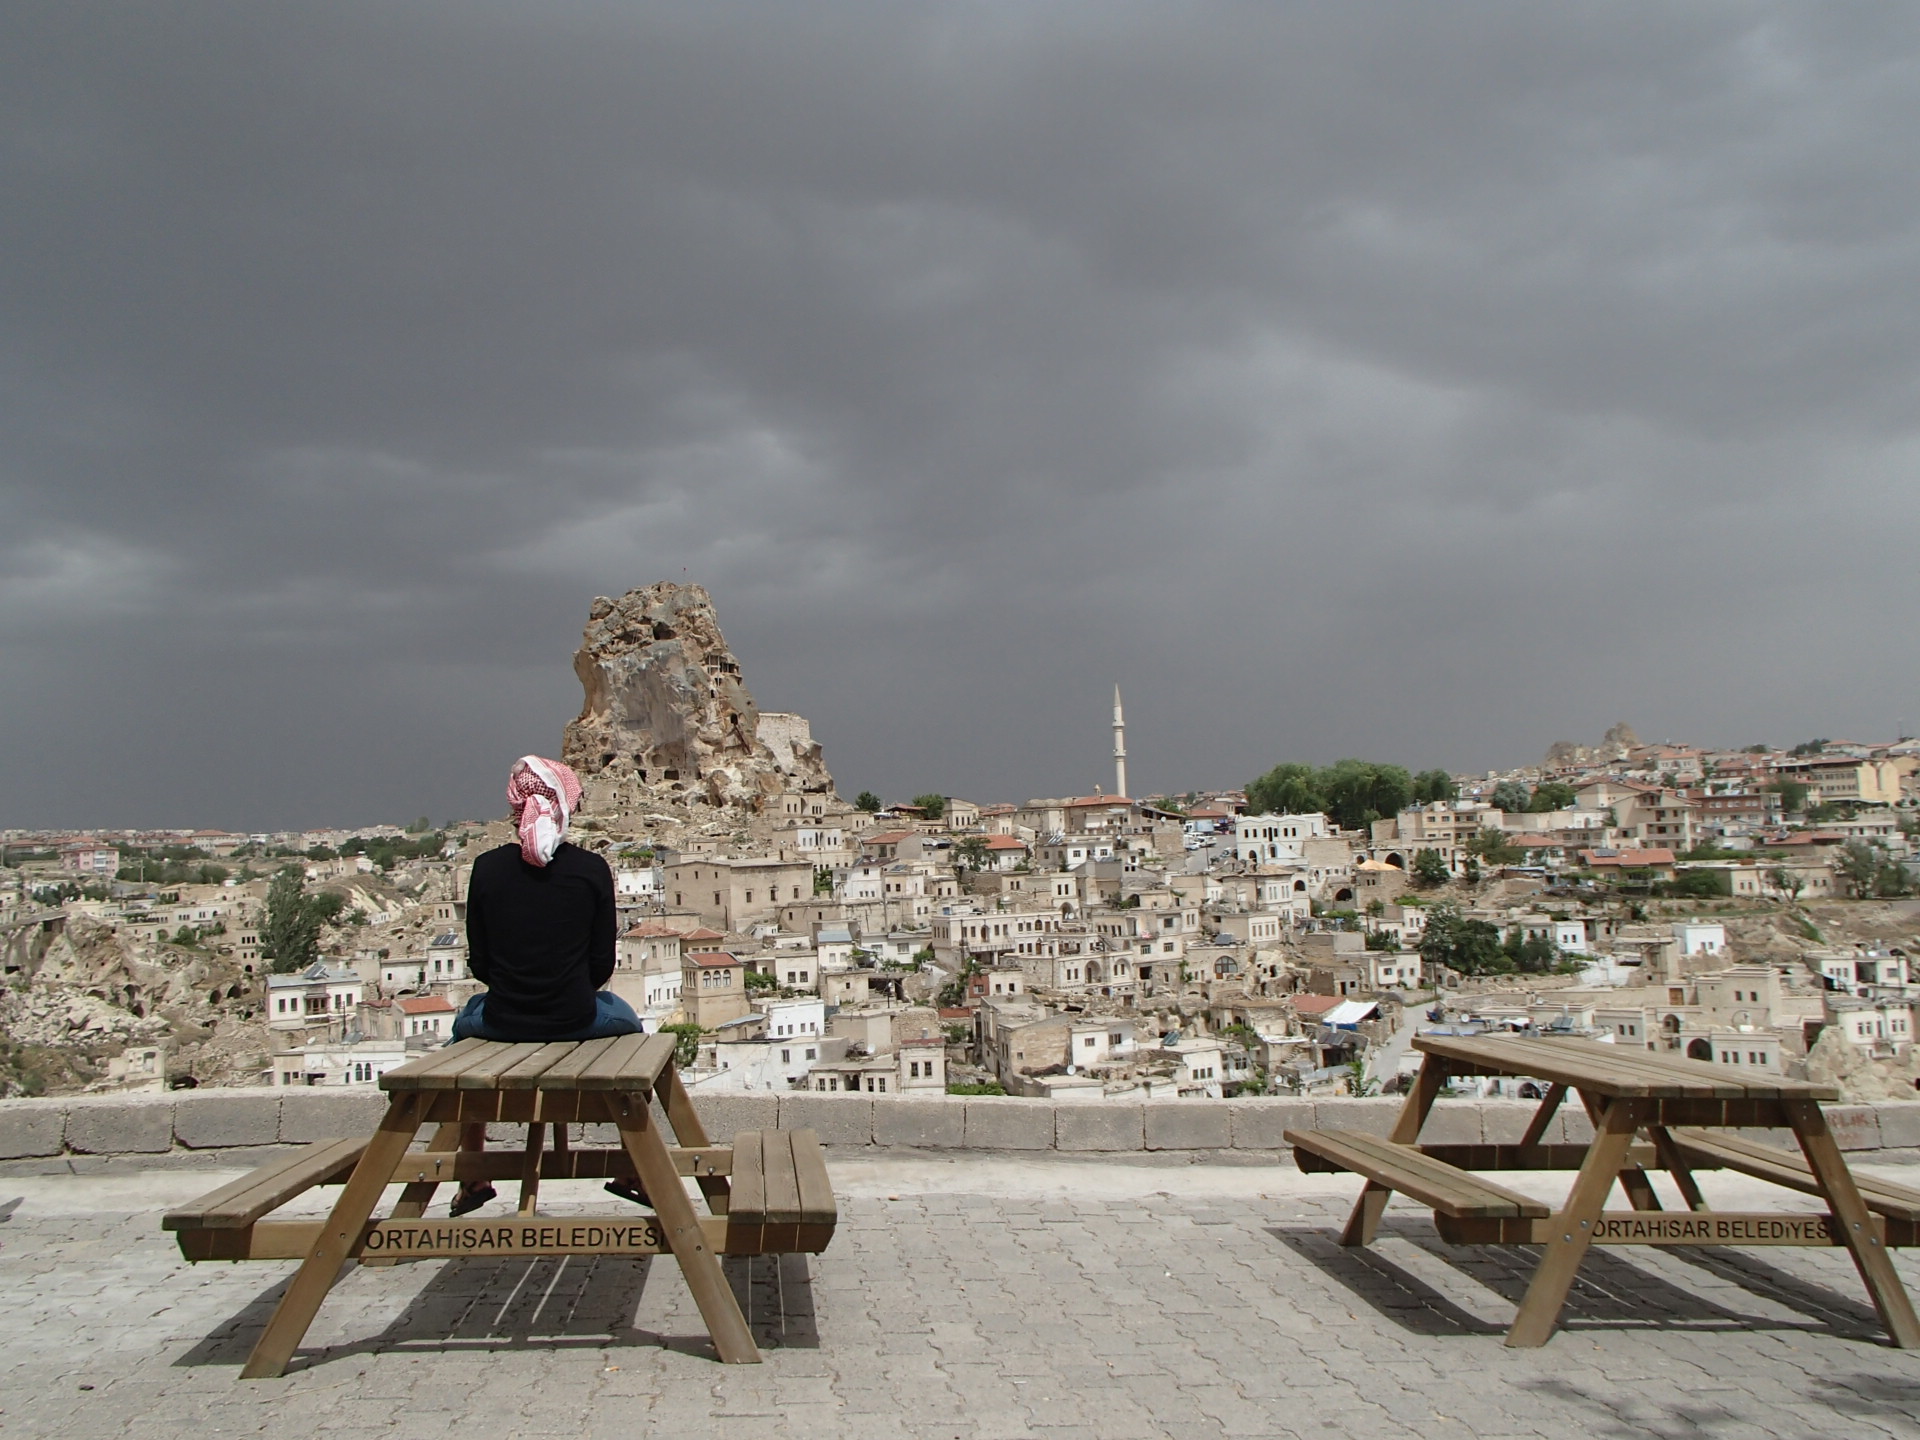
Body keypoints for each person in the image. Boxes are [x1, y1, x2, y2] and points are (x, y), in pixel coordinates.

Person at [447, 755, 644, 1215]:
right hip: (576, 1016)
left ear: (515, 805)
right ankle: (633, 1167)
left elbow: (481, 964)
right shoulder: (591, 869)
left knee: (462, 1025)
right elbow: (601, 966)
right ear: (565, 805)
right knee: (630, 1024)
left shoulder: (486, 869)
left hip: (503, 1019)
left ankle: (473, 1173)